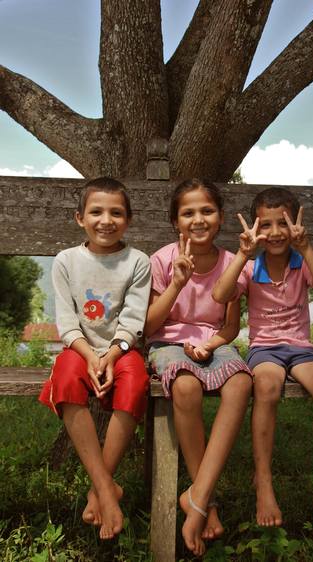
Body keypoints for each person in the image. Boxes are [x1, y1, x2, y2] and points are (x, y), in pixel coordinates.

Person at [212, 186, 313, 533]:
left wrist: (307, 247)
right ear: (255, 229)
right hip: (264, 349)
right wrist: (241, 254)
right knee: (266, 387)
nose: (274, 233)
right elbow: (220, 294)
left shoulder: (301, 262)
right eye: (265, 225)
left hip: (301, 348)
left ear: (295, 225)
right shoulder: (251, 265)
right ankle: (265, 481)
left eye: (282, 223)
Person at [145, 178, 253, 556]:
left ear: (221, 218)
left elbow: (230, 327)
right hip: (168, 343)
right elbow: (149, 326)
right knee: (186, 387)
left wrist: (209, 344)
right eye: (188, 212)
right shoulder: (161, 260)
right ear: (176, 221)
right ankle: (205, 501)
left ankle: (197, 498)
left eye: (206, 211)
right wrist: (177, 283)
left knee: (241, 384)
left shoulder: (232, 263)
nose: (198, 219)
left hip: (214, 343)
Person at [39, 177, 151, 540]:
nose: (106, 220)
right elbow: (67, 321)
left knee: (135, 383)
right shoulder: (66, 261)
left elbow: (133, 320)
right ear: (79, 218)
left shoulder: (137, 261)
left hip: (122, 350)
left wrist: (111, 354)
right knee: (67, 379)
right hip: (78, 349)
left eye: (116, 213)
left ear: (129, 220)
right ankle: (106, 488)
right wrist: (89, 355)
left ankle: (97, 488)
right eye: (96, 212)